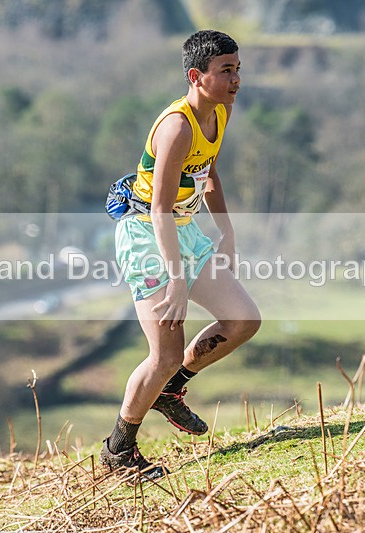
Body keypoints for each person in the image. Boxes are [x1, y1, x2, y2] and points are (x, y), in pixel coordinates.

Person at [100, 29, 261, 481]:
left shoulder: (221, 111)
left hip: (183, 230)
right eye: (226, 71)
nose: (235, 80)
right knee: (164, 351)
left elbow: (208, 175)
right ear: (196, 75)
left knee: (244, 320)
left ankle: (172, 390)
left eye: (238, 69)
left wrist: (225, 229)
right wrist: (175, 280)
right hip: (148, 233)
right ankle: (118, 451)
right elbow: (158, 210)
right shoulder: (176, 126)